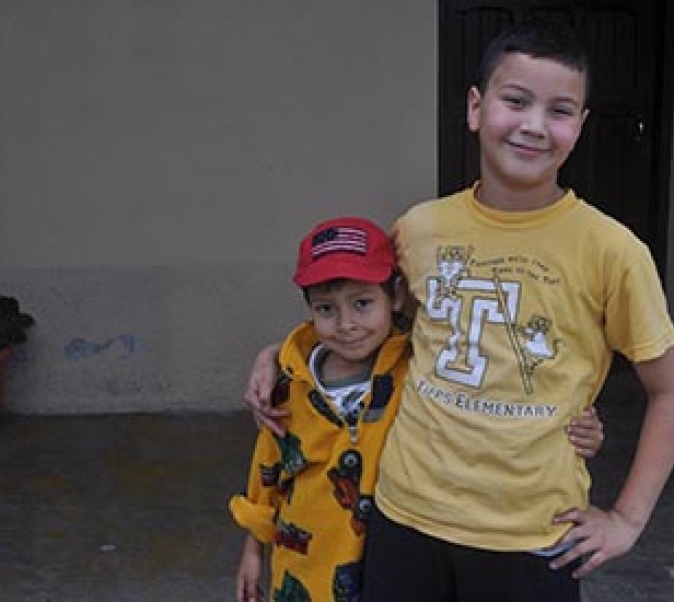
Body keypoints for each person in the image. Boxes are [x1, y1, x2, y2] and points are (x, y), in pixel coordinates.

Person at [242, 17, 674, 602]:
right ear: (476, 108)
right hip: (404, 516)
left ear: (579, 128)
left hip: (532, 534)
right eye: (516, 101)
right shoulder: (420, 228)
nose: (534, 125)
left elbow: (673, 390)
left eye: (559, 110)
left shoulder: (612, 251)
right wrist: (278, 353)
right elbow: (357, 314)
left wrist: (628, 519)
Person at [230, 216, 604, 601]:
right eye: (326, 309)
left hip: (392, 560)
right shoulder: (290, 385)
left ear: (395, 295)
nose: (346, 324)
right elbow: (269, 470)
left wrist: (574, 428)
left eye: (362, 303)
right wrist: (254, 549)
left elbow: (493, 393)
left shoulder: (419, 365)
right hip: (307, 569)